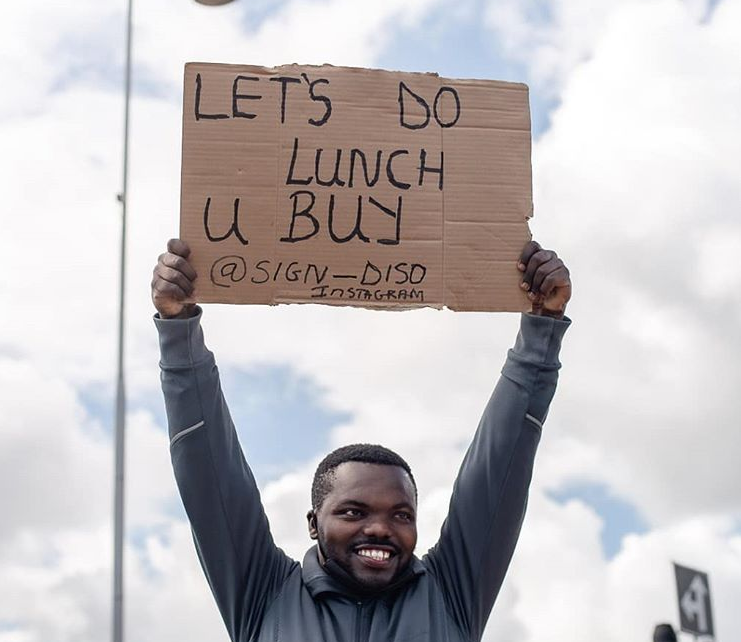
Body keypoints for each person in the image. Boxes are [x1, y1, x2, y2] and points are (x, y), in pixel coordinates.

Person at [152, 239, 571, 642]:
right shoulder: (263, 593)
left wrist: (542, 327)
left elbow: (501, 465)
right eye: (353, 512)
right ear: (314, 523)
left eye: (402, 515)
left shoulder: (451, 594)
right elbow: (209, 471)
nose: (380, 528)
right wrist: (178, 330)